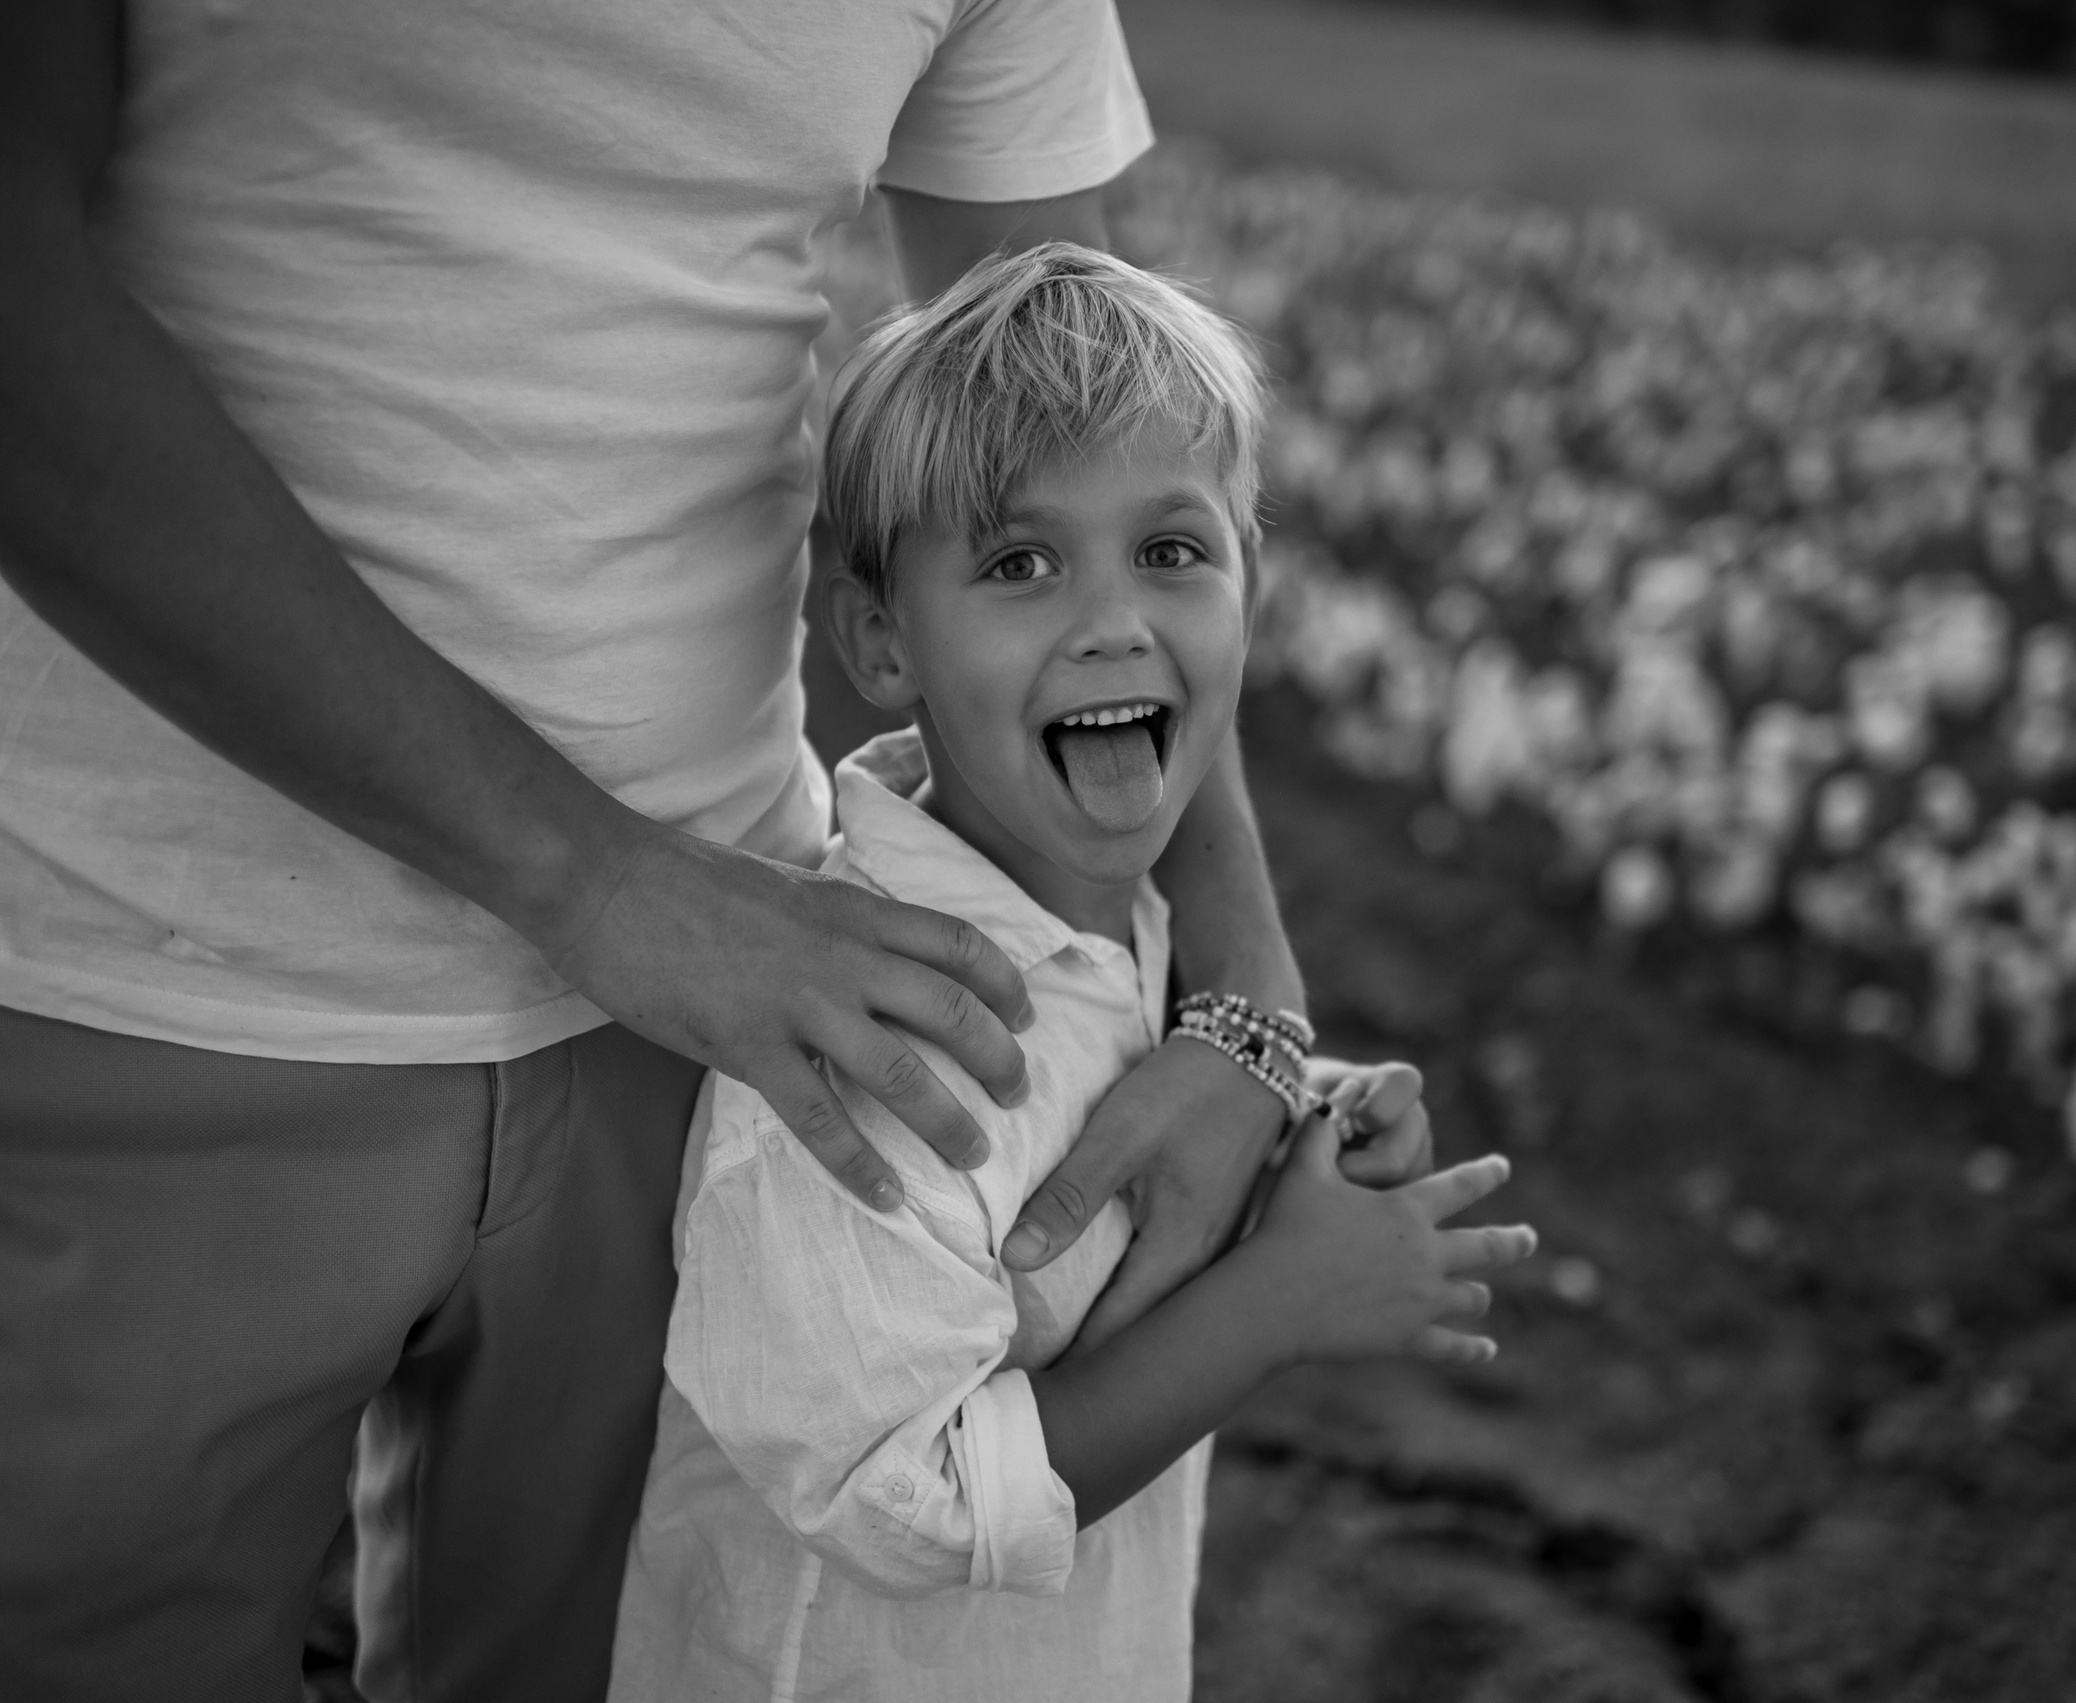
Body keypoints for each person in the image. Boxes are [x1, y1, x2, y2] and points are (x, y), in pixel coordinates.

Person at [0, 7, 1308, 1701]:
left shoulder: (946, 1035)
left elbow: (1069, 393)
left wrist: (1251, 1001)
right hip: (162, 969)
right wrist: (596, 883)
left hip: (722, 1021)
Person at [610, 243, 1535, 1702]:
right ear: (880, 640)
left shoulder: (1119, 918)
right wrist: (1281, 1302)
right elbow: (913, 1501)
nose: (1113, 621)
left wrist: (1314, 1114)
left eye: (1172, 552)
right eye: (1020, 563)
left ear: (1250, 589)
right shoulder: (864, 1039)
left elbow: (1110, 1097)